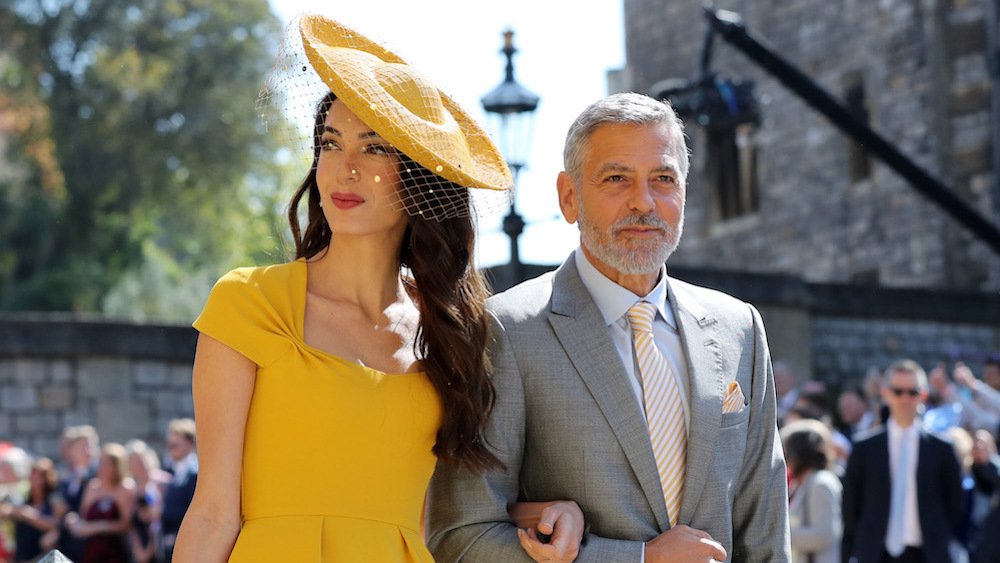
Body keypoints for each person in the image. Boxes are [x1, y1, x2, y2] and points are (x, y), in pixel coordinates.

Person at [172, 14, 521, 563]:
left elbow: (451, 514)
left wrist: (543, 513)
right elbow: (214, 511)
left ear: (421, 177)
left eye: (375, 148)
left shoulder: (449, 333)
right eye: (331, 144)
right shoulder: (251, 303)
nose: (345, 168)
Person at [427, 92, 790, 562]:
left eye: (663, 179)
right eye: (617, 179)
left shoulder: (739, 328)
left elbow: (766, 533)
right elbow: (461, 538)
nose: (644, 201)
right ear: (569, 197)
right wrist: (638, 559)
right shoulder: (505, 331)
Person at [841, 359, 964, 563]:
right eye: (898, 391)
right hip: (875, 553)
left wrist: (939, 536)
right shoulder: (864, 448)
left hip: (927, 554)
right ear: (886, 394)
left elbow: (954, 503)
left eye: (912, 392)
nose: (905, 398)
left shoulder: (941, 448)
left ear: (923, 395)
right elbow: (851, 505)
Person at [781, 419, 842, 563]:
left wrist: (779, 534)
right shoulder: (801, 482)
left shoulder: (820, 483)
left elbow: (823, 535)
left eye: (787, 451)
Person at [65, 443, 135, 563]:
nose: (104, 467)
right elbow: (83, 516)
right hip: (90, 550)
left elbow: (125, 524)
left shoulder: (125, 488)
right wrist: (73, 521)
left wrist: (99, 527)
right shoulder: (92, 487)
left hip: (115, 552)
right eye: (102, 463)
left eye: (109, 464)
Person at [0, 456, 60, 563]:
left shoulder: (53, 502)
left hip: (42, 558)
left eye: (40, 477)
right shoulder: (24, 501)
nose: (35, 481)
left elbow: (56, 525)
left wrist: (29, 515)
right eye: (33, 476)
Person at [160, 419, 196, 561]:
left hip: (187, 541)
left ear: (190, 443)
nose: (172, 448)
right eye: (170, 445)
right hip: (167, 543)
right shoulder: (168, 472)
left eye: (175, 445)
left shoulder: (197, 473)